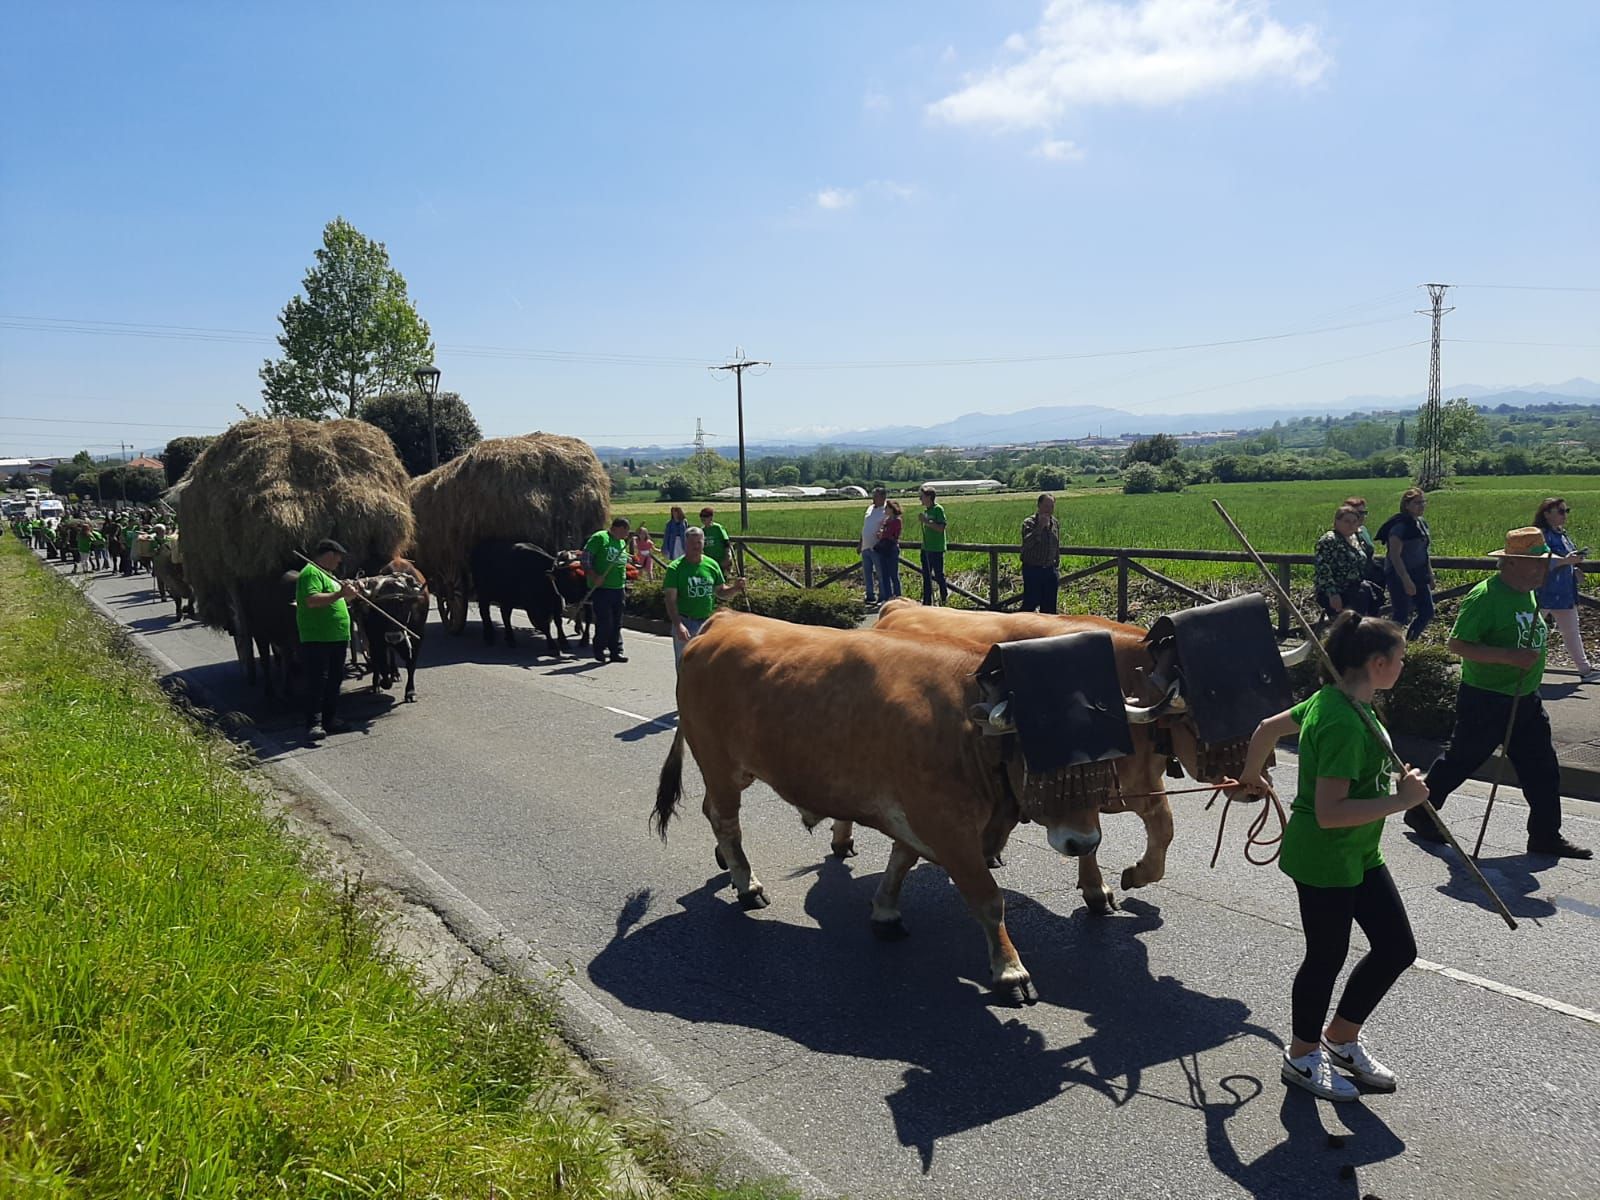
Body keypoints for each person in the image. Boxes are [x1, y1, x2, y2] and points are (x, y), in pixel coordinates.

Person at [1239, 612, 1425, 1102]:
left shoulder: (1341, 700)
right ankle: (1302, 1056)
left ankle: (1340, 1039)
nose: (1404, 666)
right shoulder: (1342, 720)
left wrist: (1251, 775)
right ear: (1379, 663)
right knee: (1327, 956)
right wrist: (1401, 801)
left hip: (1359, 852)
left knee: (1396, 948)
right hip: (1325, 856)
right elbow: (1329, 812)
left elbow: (1263, 729)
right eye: (1401, 659)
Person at [1406, 527, 1592, 858]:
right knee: (1461, 761)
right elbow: (1457, 644)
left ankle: (1545, 835)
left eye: (1544, 562)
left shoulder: (1530, 592)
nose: (1543, 569)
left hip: (1526, 698)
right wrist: (1508, 657)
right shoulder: (1486, 596)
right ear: (1513, 564)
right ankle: (1421, 812)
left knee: (1543, 769)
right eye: (1537, 563)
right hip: (1486, 697)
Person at [296, 538, 360, 739]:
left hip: (337, 637)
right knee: (318, 681)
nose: (339, 561)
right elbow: (312, 600)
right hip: (317, 637)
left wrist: (349, 593)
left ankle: (330, 719)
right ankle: (313, 723)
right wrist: (340, 593)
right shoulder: (311, 573)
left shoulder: (330, 575)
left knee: (334, 680)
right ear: (330, 554)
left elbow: (342, 598)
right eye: (338, 557)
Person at [1532, 497, 1597, 682]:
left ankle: (1585, 670)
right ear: (1546, 514)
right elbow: (1542, 560)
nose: (1564, 515)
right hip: (1543, 590)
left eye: (1566, 510)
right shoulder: (1541, 535)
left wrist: (1574, 568)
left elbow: (1566, 559)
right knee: (1530, 631)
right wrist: (1565, 561)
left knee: (1571, 631)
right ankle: (1518, 667)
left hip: (1564, 591)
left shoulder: (1562, 534)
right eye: (1560, 511)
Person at [662, 526, 745, 668]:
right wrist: (678, 625)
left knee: (707, 667)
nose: (696, 547)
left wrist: (735, 588)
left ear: (704, 543)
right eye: (692, 543)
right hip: (686, 622)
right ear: (685, 544)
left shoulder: (711, 565)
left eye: (699, 543)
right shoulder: (675, 569)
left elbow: (720, 592)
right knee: (685, 667)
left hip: (708, 623)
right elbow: (670, 600)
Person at [1375, 487, 1433, 640]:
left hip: (1419, 573)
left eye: (1423, 502)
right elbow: (1395, 556)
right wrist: (1406, 579)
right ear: (1406, 505)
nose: (1421, 506)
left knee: (1427, 611)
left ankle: (1410, 641)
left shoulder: (1421, 523)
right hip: (1399, 574)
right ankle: (1387, 645)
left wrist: (1430, 574)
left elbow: (1424, 551)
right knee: (1401, 614)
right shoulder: (1399, 526)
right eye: (1417, 503)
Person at [1314, 505, 1380, 618]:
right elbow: (1323, 570)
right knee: (1347, 627)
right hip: (1339, 592)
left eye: (1354, 521)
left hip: (1357, 590)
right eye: (1347, 521)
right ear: (1336, 522)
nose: (1351, 524)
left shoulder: (1355, 538)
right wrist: (1333, 594)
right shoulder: (1329, 540)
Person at [584, 516, 632, 664]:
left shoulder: (621, 543)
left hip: (618, 589)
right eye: (625, 530)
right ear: (618, 528)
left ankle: (615, 651)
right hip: (602, 588)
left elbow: (621, 564)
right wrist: (594, 576)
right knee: (605, 621)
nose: (626, 534)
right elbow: (585, 559)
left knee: (617, 622)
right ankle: (599, 648)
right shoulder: (600, 538)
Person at [1020, 493, 1061, 614]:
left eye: (1052, 506)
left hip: (1050, 570)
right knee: (1030, 603)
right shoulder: (1029, 523)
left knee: (1049, 607)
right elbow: (1027, 544)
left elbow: (1056, 544)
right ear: (1039, 506)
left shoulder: (1055, 523)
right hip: (1033, 570)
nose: (1049, 509)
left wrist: (1057, 562)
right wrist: (1040, 527)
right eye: (1046, 506)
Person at [918, 486, 949, 606]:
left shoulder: (938, 510)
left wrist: (926, 522)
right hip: (926, 548)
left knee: (939, 575)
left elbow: (941, 528)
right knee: (926, 576)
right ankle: (926, 601)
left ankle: (944, 599)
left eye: (922, 497)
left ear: (929, 497)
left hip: (936, 548)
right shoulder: (926, 511)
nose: (920, 499)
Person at [860, 487, 888, 608]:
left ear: (883, 497)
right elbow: (865, 526)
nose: (873, 498)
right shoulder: (870, 508)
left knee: (880, 573)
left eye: (876, 496)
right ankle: (869, 594)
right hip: (865, 546)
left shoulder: (886, 510)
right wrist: (860, 542)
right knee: (867, 573)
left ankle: (883, 595)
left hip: (877, 547)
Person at [875, 499, 903, 600]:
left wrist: (884, 534)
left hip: (891, 548)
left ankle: (898, 597)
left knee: (893, 575)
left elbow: (894, 535)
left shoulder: (897, 521)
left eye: (887, 507)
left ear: (892, 509)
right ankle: (888, 597)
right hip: (883, 548)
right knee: (884, 575)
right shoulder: (886, 520)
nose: (885, 509)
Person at [698, 507, 731, 576]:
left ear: (711, 517)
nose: (703, 518)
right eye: (701, 516)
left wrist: (727, 557)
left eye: (705, 516)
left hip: (720, 560)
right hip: (709, 561)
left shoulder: (717, 528)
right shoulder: (701, 530)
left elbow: (726, 542)